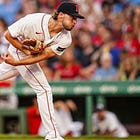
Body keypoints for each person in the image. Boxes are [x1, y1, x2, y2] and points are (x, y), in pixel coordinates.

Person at [0, 2, 84, 140]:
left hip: (25, 58)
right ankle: (53, 135)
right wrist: (24, 52)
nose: (75, 21)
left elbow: (43, 56)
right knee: (44, 90)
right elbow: (8, 35)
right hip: (17, 50)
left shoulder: (66, 38)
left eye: (76, 18)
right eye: (72, 17)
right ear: (61, 15)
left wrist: (19, 62)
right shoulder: (34, 20)